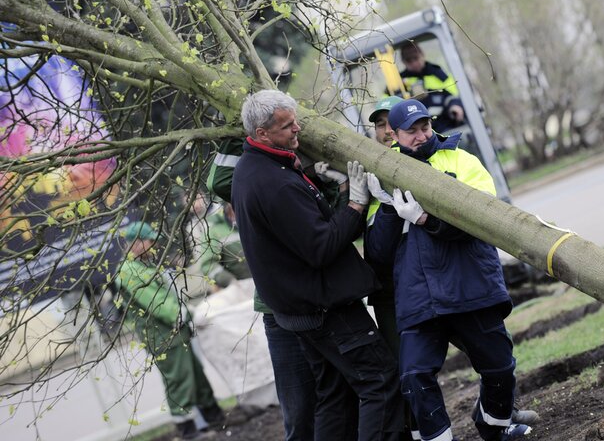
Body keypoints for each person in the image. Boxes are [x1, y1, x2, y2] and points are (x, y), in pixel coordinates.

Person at [231, 89, 403, 441]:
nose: (297, 129)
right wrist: (355, 204)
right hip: (327, 308)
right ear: (261, 133)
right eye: (286, 126)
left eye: (295, 120)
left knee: (335, 394)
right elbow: (321, 247)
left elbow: (306, 230)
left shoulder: (256, 169)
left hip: (304, 309)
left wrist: (336, 191)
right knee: (380, 381)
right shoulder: (274, 183)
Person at [365, 99, 532, 441]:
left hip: (470, 284)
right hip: (420, 296)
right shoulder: (385, 172)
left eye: (424, 127)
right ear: (394, 135)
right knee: (414, 377)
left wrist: (425, 219)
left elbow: (484, 219)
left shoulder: (461, 159)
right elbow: (378, 254)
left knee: (500, 368)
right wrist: (386, 209)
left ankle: (495, 426)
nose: (420, 135)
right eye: (410, 131)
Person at [115, 221, 224, 440]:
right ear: (136, 244)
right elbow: (156, 302)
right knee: (179, 381)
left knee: (196, 376)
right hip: (164, 337)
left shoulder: (143, 265)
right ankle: (188, 431)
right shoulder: (129, 271)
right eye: (149, 240)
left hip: (176, 333)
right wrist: (183, 314)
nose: (153, 244)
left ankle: (216, 419)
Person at [399, 42, 465, 134]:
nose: (414, 63)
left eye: (416, 58)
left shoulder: (439, 74)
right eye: (409, 60)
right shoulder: (399, 82)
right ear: (404, 62)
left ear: (422, 56)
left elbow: (453, 95)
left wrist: (455, 106)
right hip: (416, 130)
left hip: (445, 124)